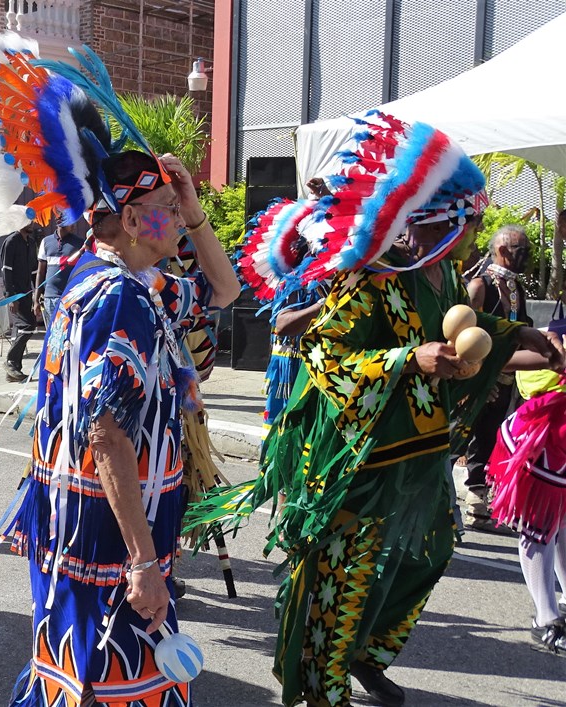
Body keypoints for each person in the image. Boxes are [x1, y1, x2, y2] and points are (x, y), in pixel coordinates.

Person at [187, 113, 565, 707]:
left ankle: (363, 653)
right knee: (344, 570)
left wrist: (528, 337)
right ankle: (319, 680)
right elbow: (324, 354)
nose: (475, 236)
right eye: (471, 224)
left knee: (432, 548)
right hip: (356, 456)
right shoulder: (366, 278)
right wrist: (409, 360)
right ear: (444, 222)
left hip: (418, 448)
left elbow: (474, 329)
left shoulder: (439, 278)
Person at [1, 150, 240, 704]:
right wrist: (143, 561)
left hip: (82, 518)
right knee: (115, 678)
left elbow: (224, 291)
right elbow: (107, 434)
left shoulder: (113, 278)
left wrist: (193, 208)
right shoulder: (122, 297)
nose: (177, 219)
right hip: (107, 530)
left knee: (77, 665)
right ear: (130, 221)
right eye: (165, 208)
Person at [487, 363, 566, 655]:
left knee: (563, 523)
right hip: (548, 433)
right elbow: (531, 373)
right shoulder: (552, 334)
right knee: (541, 524)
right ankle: (545, 618)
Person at [462, 225, 532, 532]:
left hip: (508, 376)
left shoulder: (516, 289)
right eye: (521, 251)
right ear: (502, 251)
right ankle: (467, 497)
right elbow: (463, 332)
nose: (525, 257)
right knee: (470, 436)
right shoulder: (480, 285)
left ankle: (484, 497)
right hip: (481, 376)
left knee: (495, 435)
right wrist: (474, 378)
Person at [1, 224, 39, 382]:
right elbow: (6, 270)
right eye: (28, 221)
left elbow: (34, 271)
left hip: (27, 293)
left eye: (32, 221)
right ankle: (10, 361)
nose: (31, 224)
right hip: (15, 294)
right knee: (27, 326)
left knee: (27, 327)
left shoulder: (31, 243)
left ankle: (13, 371)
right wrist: (11, 296)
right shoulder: (11, 241)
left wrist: (37, 292)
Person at [33, 224, 85, 327]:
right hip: (49, 298)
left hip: (70, 298)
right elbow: (40, 272)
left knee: (68, 335)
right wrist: (36, 300)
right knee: (52, 335)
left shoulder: (80, 243)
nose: (73, 225)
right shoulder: (46, 242)